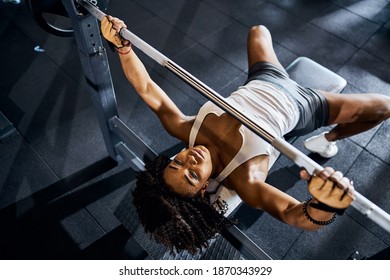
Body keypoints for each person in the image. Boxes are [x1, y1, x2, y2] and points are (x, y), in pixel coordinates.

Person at [101, 16, 390, 255]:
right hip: (305, 105)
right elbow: (293, 214)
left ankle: (325, 139)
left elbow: (147, 89)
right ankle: (327, 140)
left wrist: (123, 48)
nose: (190, 159)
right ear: (204, 189)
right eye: (192, 174)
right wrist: (325, 206)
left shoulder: (185, 129)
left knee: (258, 30)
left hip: (264, 79)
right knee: (384, 108)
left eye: (178, 163)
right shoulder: (244, 179)